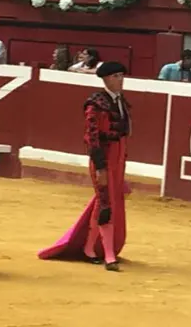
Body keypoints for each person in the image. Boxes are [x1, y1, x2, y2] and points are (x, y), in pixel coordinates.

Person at [38, 62, 131, 272]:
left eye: (122, 75)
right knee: (105, 202)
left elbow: (124, 136)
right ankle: (108, 256)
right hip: (104, 159)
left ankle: (89, 247)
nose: (121, 79)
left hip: (118, 160)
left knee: (103, 202)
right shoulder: (96, 104)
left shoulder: (120, 102)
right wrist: (100, 166)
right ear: (106, 79)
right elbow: (92, 137)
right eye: (116, 76)